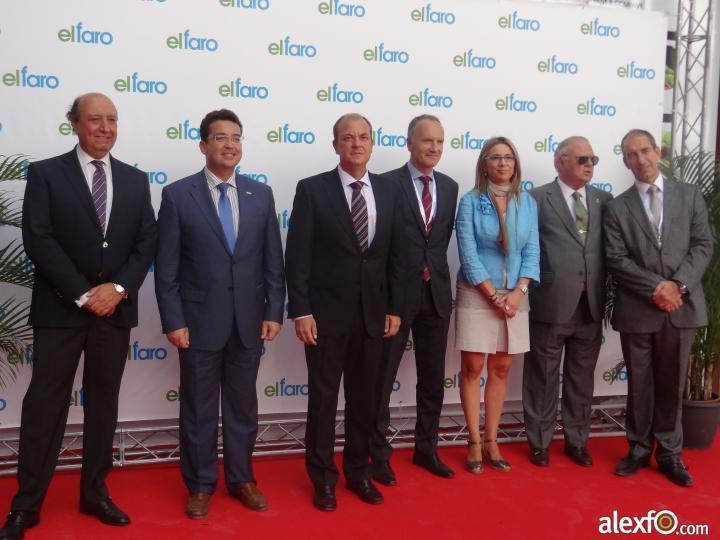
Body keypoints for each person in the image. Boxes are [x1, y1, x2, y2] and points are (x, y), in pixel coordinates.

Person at [0, 93, 157, 539]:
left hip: (115, 312)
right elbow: (39, 239)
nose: (105, 128)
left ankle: (95, 493)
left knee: (103, 404)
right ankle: (26, 504)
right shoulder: (46, 174)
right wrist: (84, 294)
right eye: (95, 120)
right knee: (45, 406)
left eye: (112, 120)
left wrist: (119, 289)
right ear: (74, 123)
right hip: (62, 310)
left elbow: (147, 240)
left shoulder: (134, 179)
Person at [154, 109, 285, 518]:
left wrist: (274, 311)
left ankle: (243, 479)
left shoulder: (260, 194)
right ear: (203, 145)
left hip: (249, 321)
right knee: (198, 408)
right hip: (197, 324)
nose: (230, 145)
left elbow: (272, 262)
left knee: (243, 406)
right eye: (220, 138)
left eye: (236, 138)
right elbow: (167, 266)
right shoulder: (178, 195)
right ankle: (200, 484)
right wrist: (173, 320)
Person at [285, 113, 403, 511]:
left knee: (365, 400)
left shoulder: (389, 190)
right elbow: (297, 256)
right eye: (348, 138)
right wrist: (301, 311)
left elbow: (392, 257)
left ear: (372, 143)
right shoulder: (312, 190)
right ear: (335, 144)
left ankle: (358, 473)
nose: (356, 144)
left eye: (364, 137)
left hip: (373, 316)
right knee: (323, 400)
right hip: (325, 317)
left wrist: (394, 308)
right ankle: (322, 479)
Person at [604, 129, 712, 487]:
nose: (640, 160)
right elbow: (616, 259)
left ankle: (669, 453)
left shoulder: (689, 195)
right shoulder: (617, 206)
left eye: (645, 152)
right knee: (640, 386)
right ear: (625, 161)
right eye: (631, 155)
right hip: (638, 308)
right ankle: (637, 448)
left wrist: (677, 286)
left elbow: (703, 245)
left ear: (658, 150)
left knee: (671, 385)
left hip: (680, 308)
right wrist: (657, 288)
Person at [370, 115, 458, 485]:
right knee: (381, 379)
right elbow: (378, 246)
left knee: (432, 379)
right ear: (409, 143)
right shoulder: (386, 184)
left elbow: (436, 244)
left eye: (439, 142)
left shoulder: (451, 187)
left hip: (436, 295)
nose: (434, 148)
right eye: (427, 141)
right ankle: (378, 455)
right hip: (394, 298)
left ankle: (427, 448)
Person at [523, 136, 612, 468]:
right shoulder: (536, 199)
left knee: (581, 378)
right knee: (542, 378)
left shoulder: (605, 200)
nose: (589, 165)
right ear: (560, 161)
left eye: (593, 160)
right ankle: (540, 442)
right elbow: (527, 250)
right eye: (582, 159)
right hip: (551, 302)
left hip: (591, 304)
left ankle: (577, 440)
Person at [455, 136, 539, 474]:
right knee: (474, 368)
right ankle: (473, 441)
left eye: (509, 158)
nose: (503, 163)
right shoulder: (470, 201)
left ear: (516, 164)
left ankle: (492, 440)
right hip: (478, 292)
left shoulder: (527, 202)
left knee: (501, 369)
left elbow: (532, 250)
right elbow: (468, 252)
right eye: (495, 158)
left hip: (516, 295)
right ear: (484, 164)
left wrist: (518, 292)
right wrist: (492, 295)